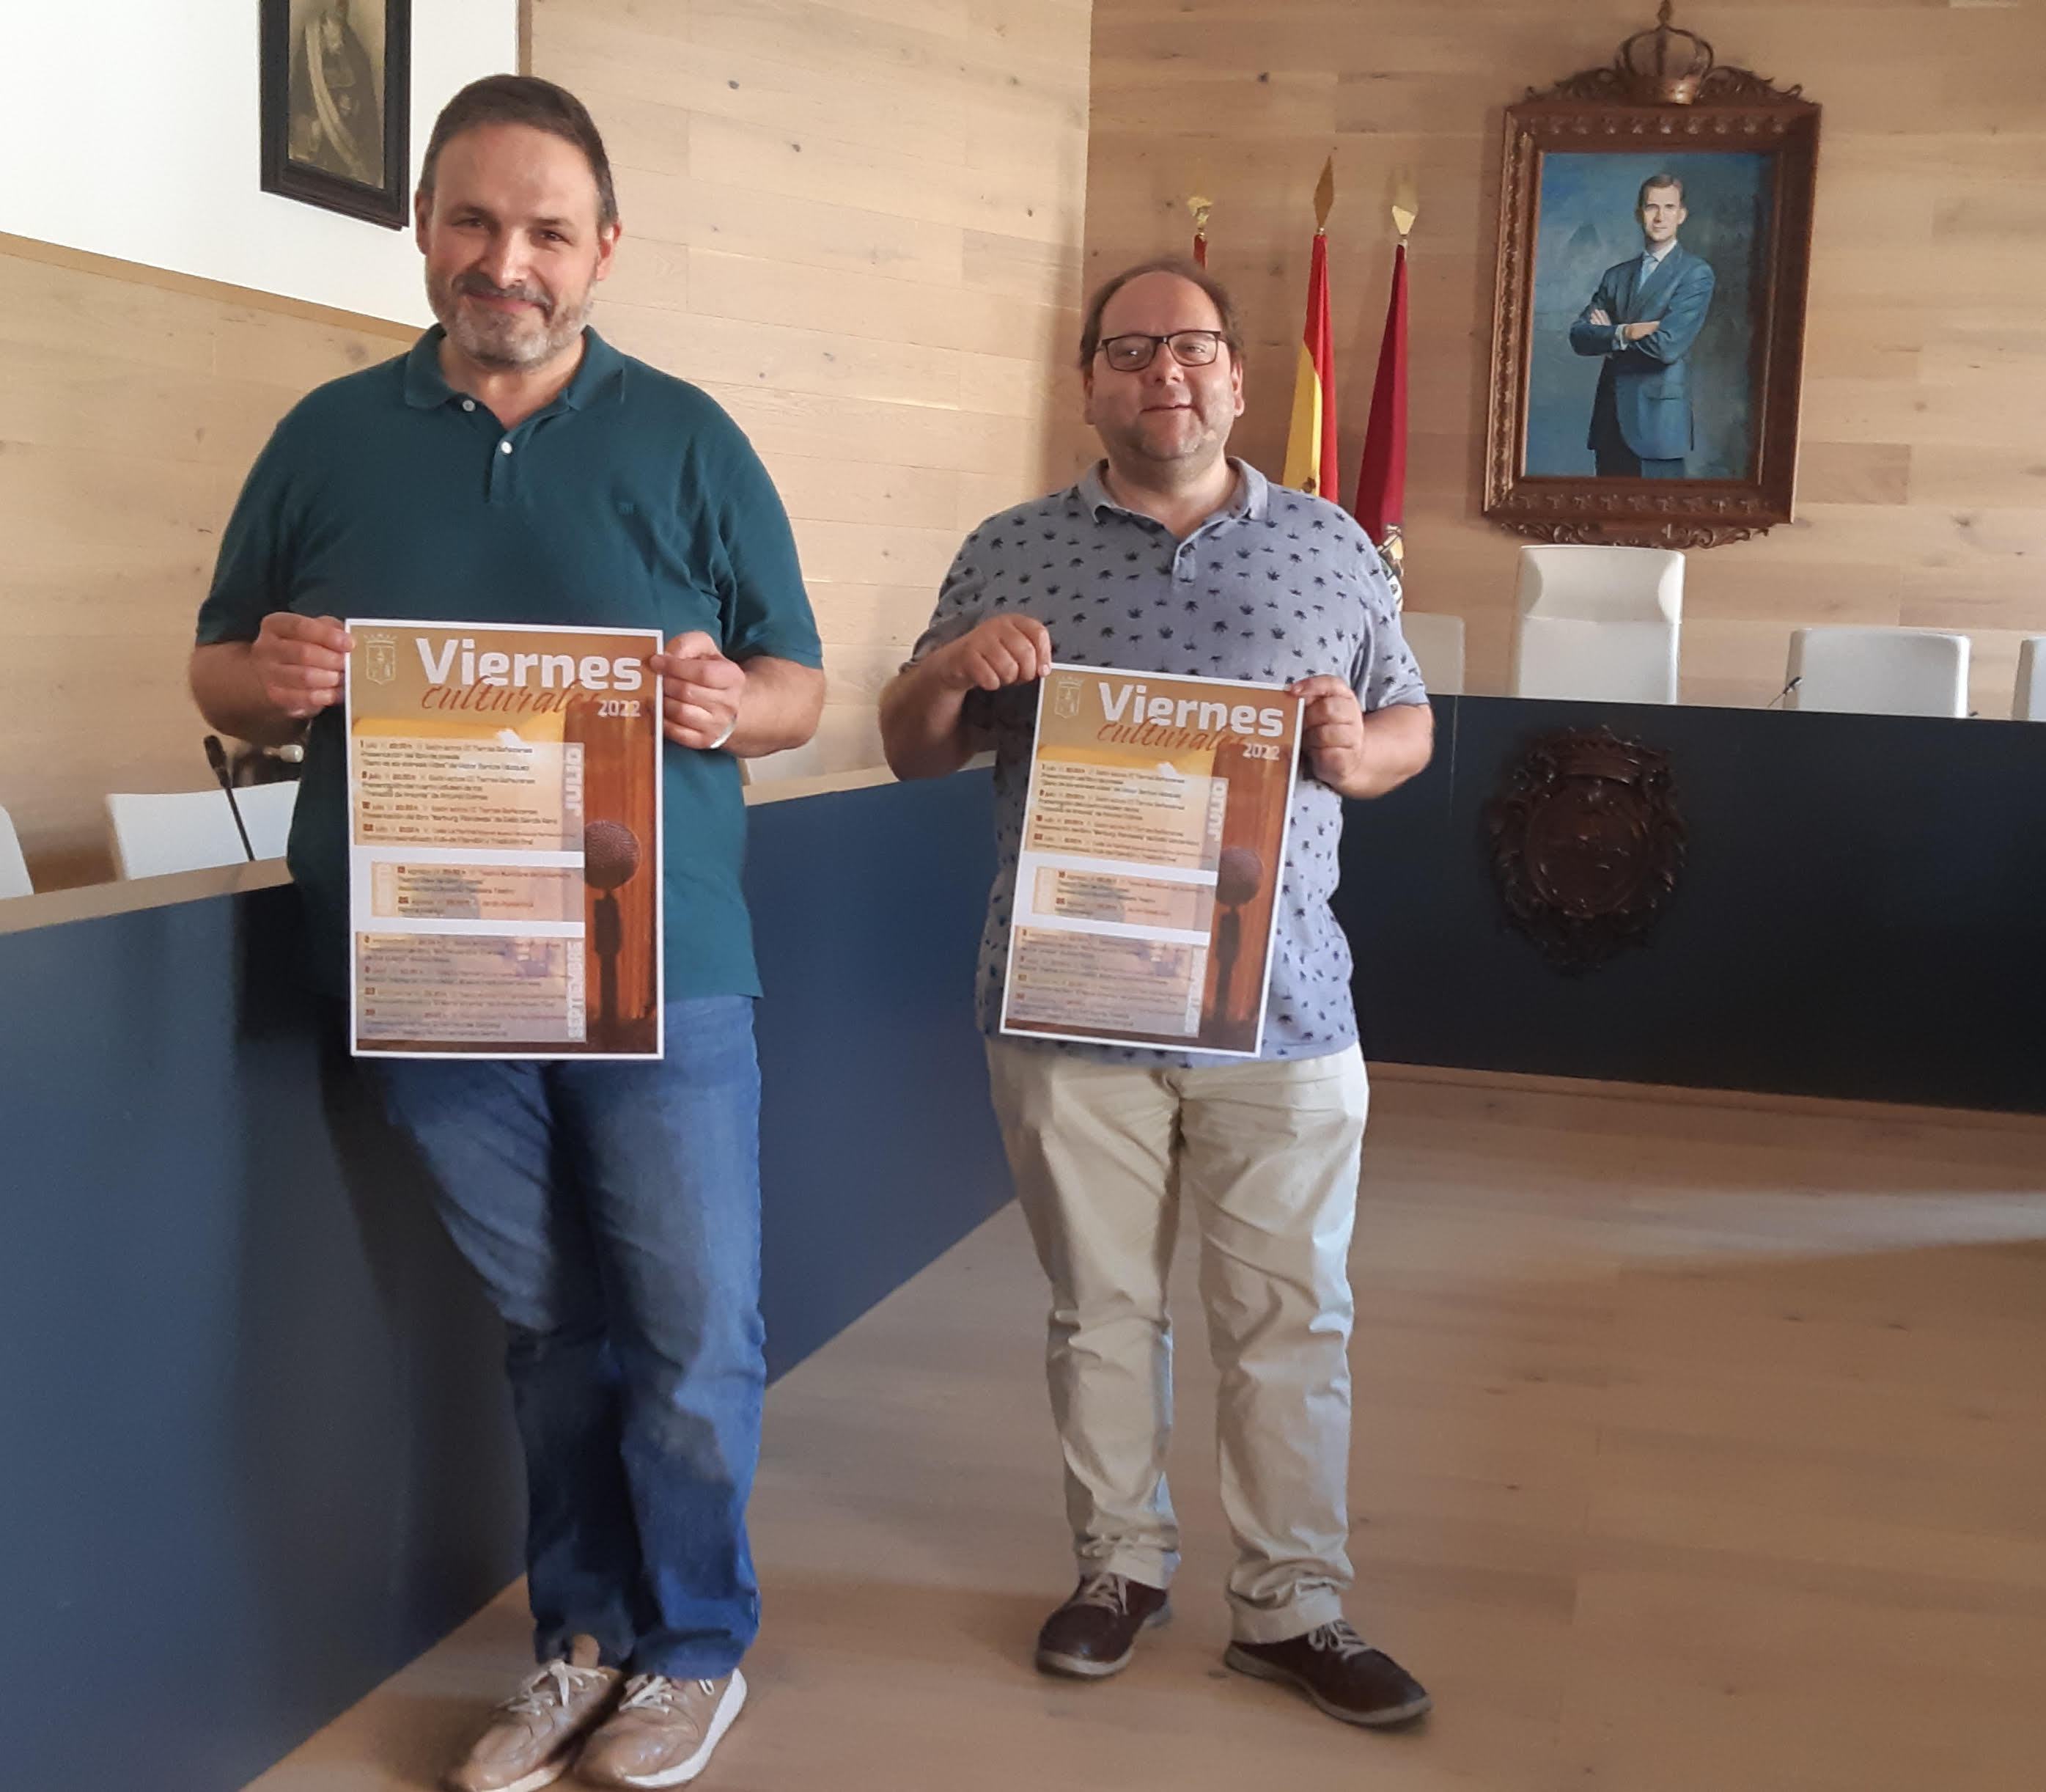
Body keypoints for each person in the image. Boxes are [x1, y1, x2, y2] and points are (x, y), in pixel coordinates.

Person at [189, 76, 825, 1792]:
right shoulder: (325, 438)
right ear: (423, 230)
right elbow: (213, 661)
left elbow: (800, 686)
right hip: (434, 966)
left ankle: (697, 1650)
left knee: (692, 1328)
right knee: (552, 1325)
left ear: (602, 248)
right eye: (472, 221)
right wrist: (271, 676)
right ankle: (584, 1638)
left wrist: (721, 702)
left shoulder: (689, 436)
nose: (506, 261)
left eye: (547, 230)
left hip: (665, 964)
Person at [877, 259, 1435, 1730]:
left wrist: (1354, 751)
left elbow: (1411, 722)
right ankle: (1117, 1567)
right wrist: (951, 668)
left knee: (1290, 1313)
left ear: (1239, 381)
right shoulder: (1007, 548)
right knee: (1101, 1308)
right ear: (1090, 384)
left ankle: (1292, 1602)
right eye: (1132, 351)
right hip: (1070, 1004)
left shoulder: (1330, 546)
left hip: (1287, 1004)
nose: (1165, 374)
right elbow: (909, 743)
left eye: (1191, 349)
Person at [1569, 173, 1715, 477]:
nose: (1660, 217)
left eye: (1669, 208)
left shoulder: (1695, 274)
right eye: (1651, 208)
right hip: (1610, 424)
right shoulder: (1615, 276)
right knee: (1606, 518)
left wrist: (1609, 339)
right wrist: (1627, 332)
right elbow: (1580, 337)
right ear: (1639, 214)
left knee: (1659, 522)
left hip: (1658, 426)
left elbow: (1666, 347)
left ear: (1681, 215)